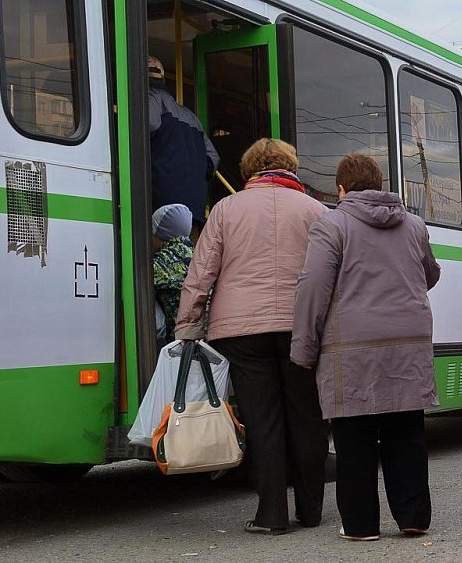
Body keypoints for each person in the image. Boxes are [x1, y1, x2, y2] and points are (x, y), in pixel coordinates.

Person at [175, 139, 330, 535]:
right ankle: (311, 511)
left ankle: (271, 515)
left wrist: (189, 325)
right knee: (308, 418)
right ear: (291, 166)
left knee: (262, 422)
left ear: (249, 171)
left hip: (242, 332)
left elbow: (201, 272)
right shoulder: (316, 211)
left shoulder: (227, 209)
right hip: (302, 329)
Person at [290, 154, 440, 541]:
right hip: (407, 343)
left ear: (341, 188)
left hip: (351, 347)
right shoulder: (414, 225)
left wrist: (303, 350)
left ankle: (360, 526)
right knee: (406, 430)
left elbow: (313, 288)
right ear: (379, 184)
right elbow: (430, 274)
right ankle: (413, 518)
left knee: (354, 435)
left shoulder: (333, 223)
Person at [148, 56, 220, 239]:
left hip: (162, 209)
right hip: (193, 210)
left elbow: (147, 126)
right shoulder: (190, 116)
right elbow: (213, 158)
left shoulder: (148, 100)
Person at [152, 204, 194, 340]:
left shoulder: (159, 263)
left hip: (180, 341)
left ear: (159, 234)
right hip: (209, 337)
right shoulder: (201, 255)